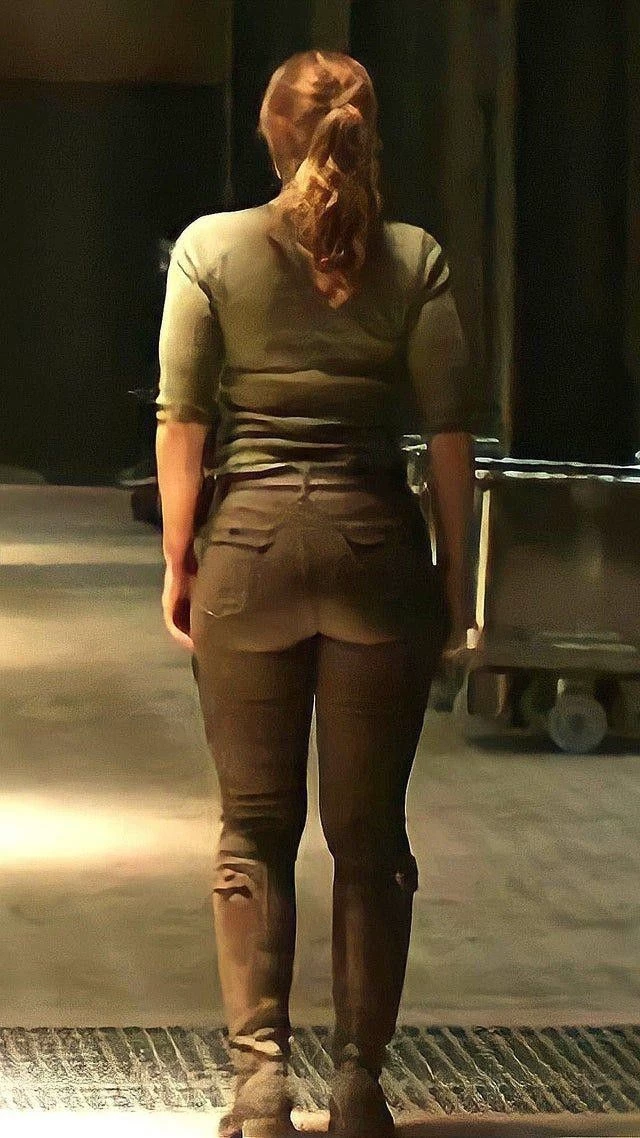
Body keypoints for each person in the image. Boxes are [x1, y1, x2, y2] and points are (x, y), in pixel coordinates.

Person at [155, 50, 476, 1138]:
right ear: (365, 132)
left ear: (272, 132)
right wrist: (455, 575)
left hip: (249, 552)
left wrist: (180, 559)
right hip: (375, 553)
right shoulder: (416, 259)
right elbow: (448, 433)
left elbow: (184, 420)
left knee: (252, 828)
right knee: (369, 835)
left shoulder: (210, 249)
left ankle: (258, 1087)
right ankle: (358, 1086)